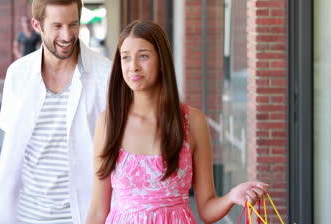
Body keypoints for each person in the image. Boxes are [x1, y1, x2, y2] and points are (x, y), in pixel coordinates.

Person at [86, 20, 269, 224]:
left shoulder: (193, 122)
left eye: (143, 56)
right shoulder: (109, 122)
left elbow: (207, 209)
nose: (133, 66)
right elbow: (97, 211)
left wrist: (232, 196)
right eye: (125, 58)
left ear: (162, 61)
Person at [0, 0, 111, 224]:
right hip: (27, 215)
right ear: (36, 26)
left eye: (73, 24)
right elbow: (12, 152)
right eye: (57, 26)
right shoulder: (18, 74)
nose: (66, 35)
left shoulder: (106, 73)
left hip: (84, 215)